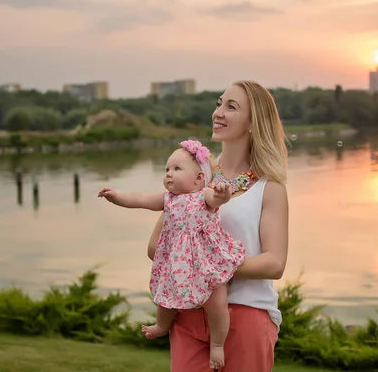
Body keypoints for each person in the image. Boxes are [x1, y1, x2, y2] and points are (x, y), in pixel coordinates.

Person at [147, 80, 289, 372]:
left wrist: (208, 266)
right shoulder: (196, 178)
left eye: (231, 107)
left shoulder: (269, 187)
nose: (218, 113)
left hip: (247, 314)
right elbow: (155, 247)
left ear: (253, 123)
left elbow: (274, 264)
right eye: (218, 104)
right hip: (188, 312)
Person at [98, 139, 246, 369]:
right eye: (166, 169)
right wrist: (117, 197)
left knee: (217, 303)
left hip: (205, 261)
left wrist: (222, 194)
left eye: (177, 169)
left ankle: (217, 344)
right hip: (178, 262)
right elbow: (140, 199)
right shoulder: (168, 199)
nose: (169, 174)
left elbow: (217, 200)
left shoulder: (203, 196)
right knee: (166, 297)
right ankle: (161, 326)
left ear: (198, 178)